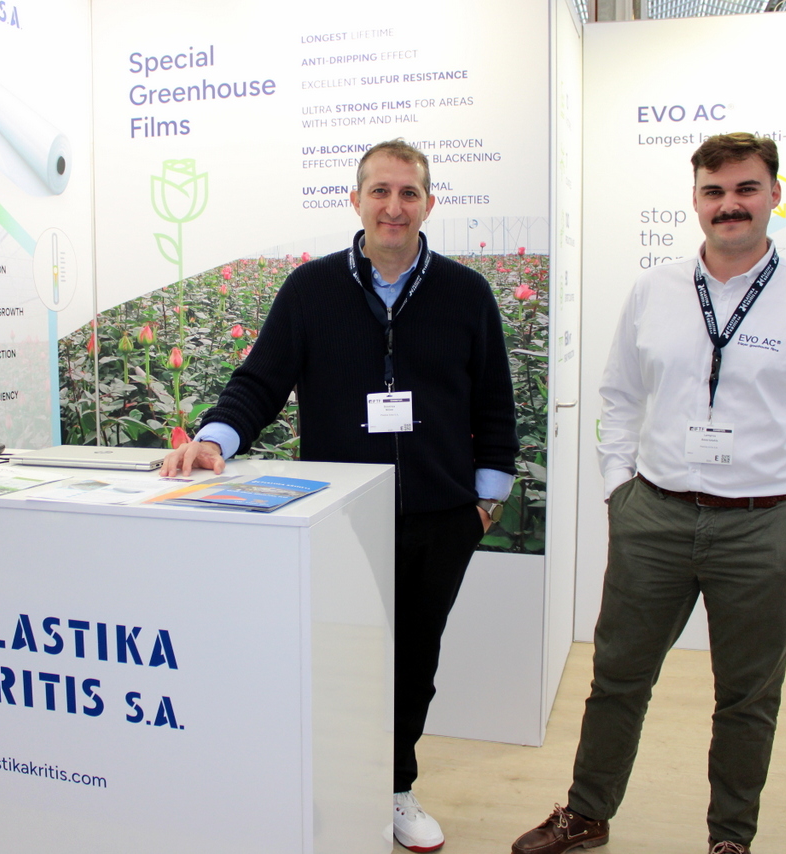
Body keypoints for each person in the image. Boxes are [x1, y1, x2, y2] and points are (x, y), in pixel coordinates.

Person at [510, 133, 786, 854]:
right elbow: (619, 397)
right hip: (655, 516)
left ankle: (730, 837)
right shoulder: (654, 291)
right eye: (714, 191)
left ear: (775, 195)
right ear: (695, 200)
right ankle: (586, 813)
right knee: (617, 678)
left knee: (747, 697)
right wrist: (620, 488)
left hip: (767, 528)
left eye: (746, 189)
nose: (729, 204)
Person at [161, 138, 519, 852]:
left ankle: (395, 789)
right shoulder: (311, 290)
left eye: (408, 193)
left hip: (439, 518)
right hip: (341, 517)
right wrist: (215, 438)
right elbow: (260, 381)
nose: (394, 206)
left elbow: (494, 401)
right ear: (356, 201)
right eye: (380, 191)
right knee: (338, 658)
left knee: (414, 662)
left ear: (429, 205)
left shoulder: (465, 293)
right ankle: (331, 784)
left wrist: (485, 502)